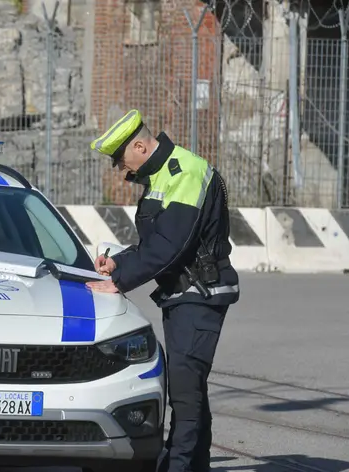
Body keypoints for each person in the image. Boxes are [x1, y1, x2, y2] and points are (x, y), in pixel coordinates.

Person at [85, 109, 239, 472]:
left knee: (184, 394)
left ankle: (177, 465)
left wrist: (119, 282)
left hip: (200, 295)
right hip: (182, 295)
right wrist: (119, 263)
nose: (122, 173)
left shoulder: (184, 171)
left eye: (122, 163)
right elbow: (153, 242)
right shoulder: (160, 177)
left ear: (139, 145)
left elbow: (172, 244)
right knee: (191, 389)